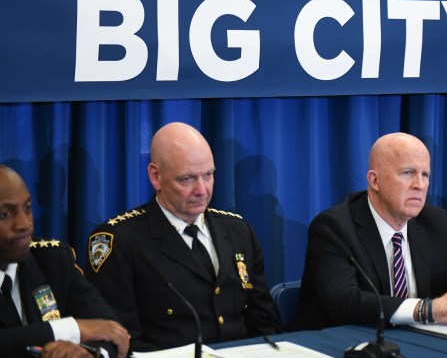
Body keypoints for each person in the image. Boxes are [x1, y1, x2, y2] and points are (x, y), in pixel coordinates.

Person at [86, 122, 280, 351]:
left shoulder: (238, 232)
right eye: (186, 179)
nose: (202, 190)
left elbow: (265, 324)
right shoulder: (119, 242)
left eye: (208, 175)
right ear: (155, 176)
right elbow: (119, 340)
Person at [293, 132, 447, 330]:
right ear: (375, 180)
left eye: (425, 175)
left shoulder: (434, 223)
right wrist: (427, 309)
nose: (419, 185)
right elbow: (345, 302)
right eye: (408, 173)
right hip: (342, 344)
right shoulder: (334, 228)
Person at [0, 165, 129, 358]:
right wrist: (71, 329)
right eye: (5, 214)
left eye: (27, 208)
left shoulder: (53, 260)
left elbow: (110, 329)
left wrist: (87, 352)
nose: (24, 224)